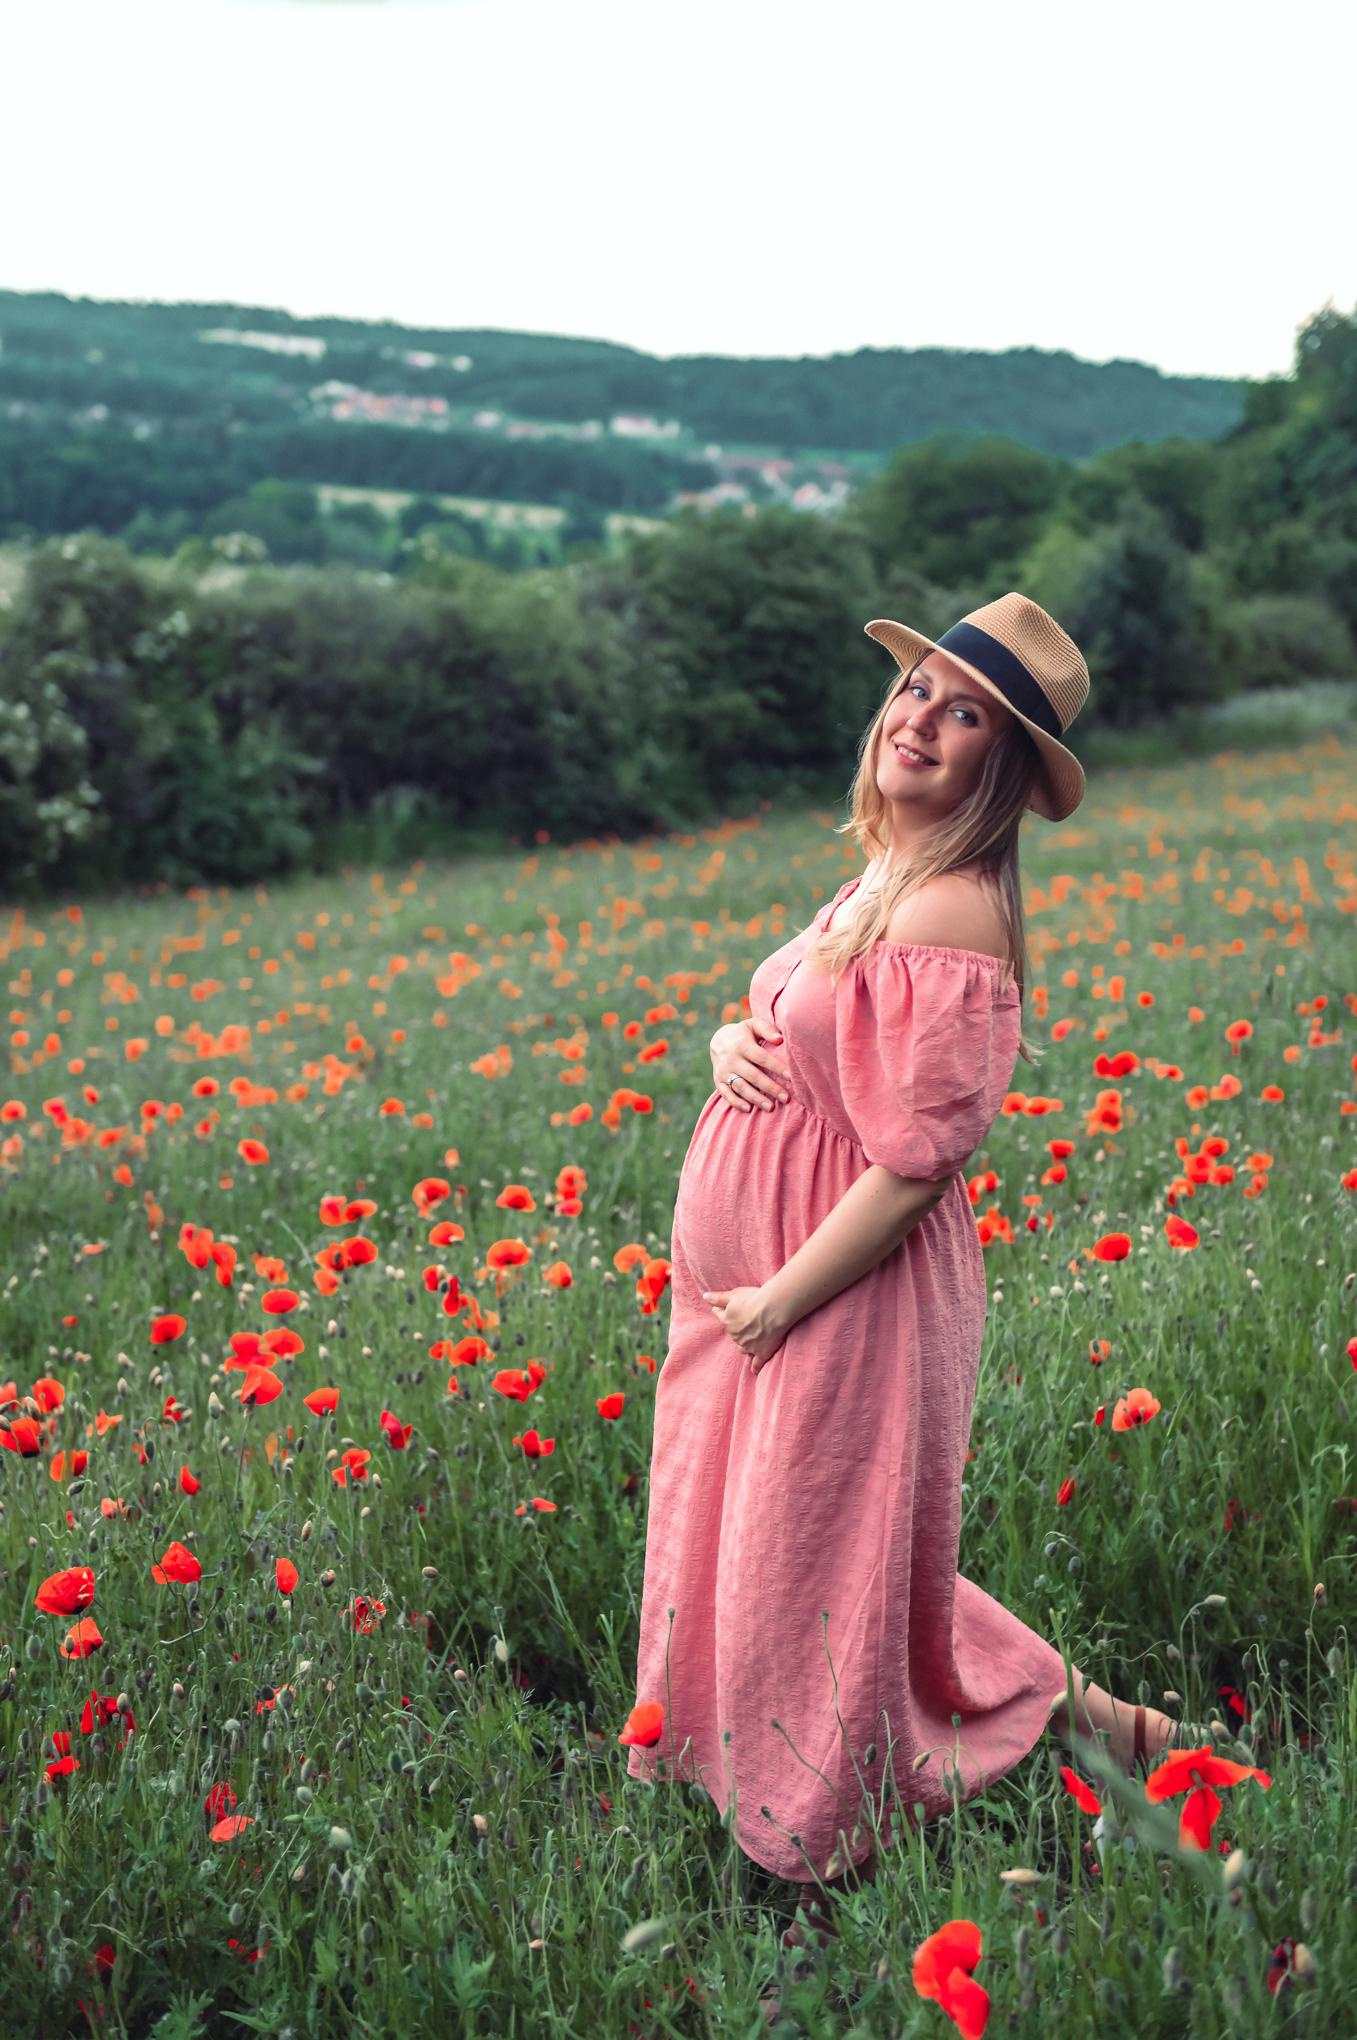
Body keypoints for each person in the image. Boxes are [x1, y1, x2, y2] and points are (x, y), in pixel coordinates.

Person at [623, 593, 1214, 1938]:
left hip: (839, 1294)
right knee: (787, 1540)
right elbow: (800, 1019)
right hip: (757, 1302)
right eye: (919, 691)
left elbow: (915, 1161)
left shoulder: (949, 909)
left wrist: (782, 1294)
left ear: (1000, 767)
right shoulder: (878, 873)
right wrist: (728, 1035)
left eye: (964, 715)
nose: (921, 722)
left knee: (811, 1551)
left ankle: (811, 1867)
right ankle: (1111, 1726)